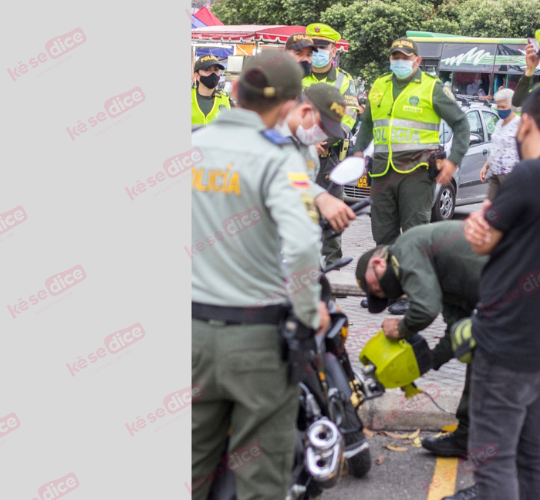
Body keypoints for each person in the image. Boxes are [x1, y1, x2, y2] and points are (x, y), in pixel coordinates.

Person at [190, 51, 330, 500]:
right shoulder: (278, 159)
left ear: (233, 90)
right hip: (256, 342)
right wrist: (309, 313)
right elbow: (305, 244)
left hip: (188, 335)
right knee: (260, 481)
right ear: (290, 105)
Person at [445, 86, 540, 500]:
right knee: (530, 455)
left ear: (526, 123)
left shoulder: (528, 175)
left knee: (493, 461)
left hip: (507, 342)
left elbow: (484, 240)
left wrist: (476, 229)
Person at [352, 38, 469, 314]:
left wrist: (453, 162)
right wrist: (358, 151)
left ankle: (411, 292)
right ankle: (387, 287)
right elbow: (367, 123)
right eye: (395, 56)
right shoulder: (380, 85)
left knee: (415, 234)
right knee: (383, 234)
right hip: (382, 170)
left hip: (416, 172)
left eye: (405, 57)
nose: (399, 61)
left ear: (417, 61)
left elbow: (461, 124)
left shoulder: (432, 87)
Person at [354, 221, 488, 457]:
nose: (383, 294)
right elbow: (456, 328)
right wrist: (429, 361)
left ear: (378, 262)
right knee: (477, 354)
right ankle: (467, 438)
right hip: (501, 294)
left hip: (517, 287)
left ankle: (499, 454)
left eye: (375, 290)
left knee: (492, 366)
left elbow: (426, 309)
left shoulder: (404, 249)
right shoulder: (441, 271)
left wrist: (402, 329)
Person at [303, 23, 360, 267]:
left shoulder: (344, 81)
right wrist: (307, 142)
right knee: (302, 212)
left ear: (333, 50)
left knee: (331, 213)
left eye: (322, 47)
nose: (317, 52)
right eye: (313, 48)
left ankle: (332, 266)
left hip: (331, 156)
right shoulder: (298, 76)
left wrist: (324, 140)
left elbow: (349, 116)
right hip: (300, 153)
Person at [279, 83, 357, 237]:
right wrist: (319, 196)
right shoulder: (269, 136)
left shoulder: (310, 152)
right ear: (305, 110)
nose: (323, 134)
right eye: (322, 126)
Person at [479, 88, 521, 200]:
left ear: (511, 106)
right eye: (498, 107)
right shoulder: (499, 123)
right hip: (495, 172)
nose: (500, 110)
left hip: (510, 175)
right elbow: (496, 148)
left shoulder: (520, 124)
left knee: (508, 209)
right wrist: (485, 166)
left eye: (503, 107)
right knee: (489, 206)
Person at [191, 54, 232, 128]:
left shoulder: (226, 99)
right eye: (207, 70)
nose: (213, 74)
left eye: (216, 70)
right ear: (196, 75)